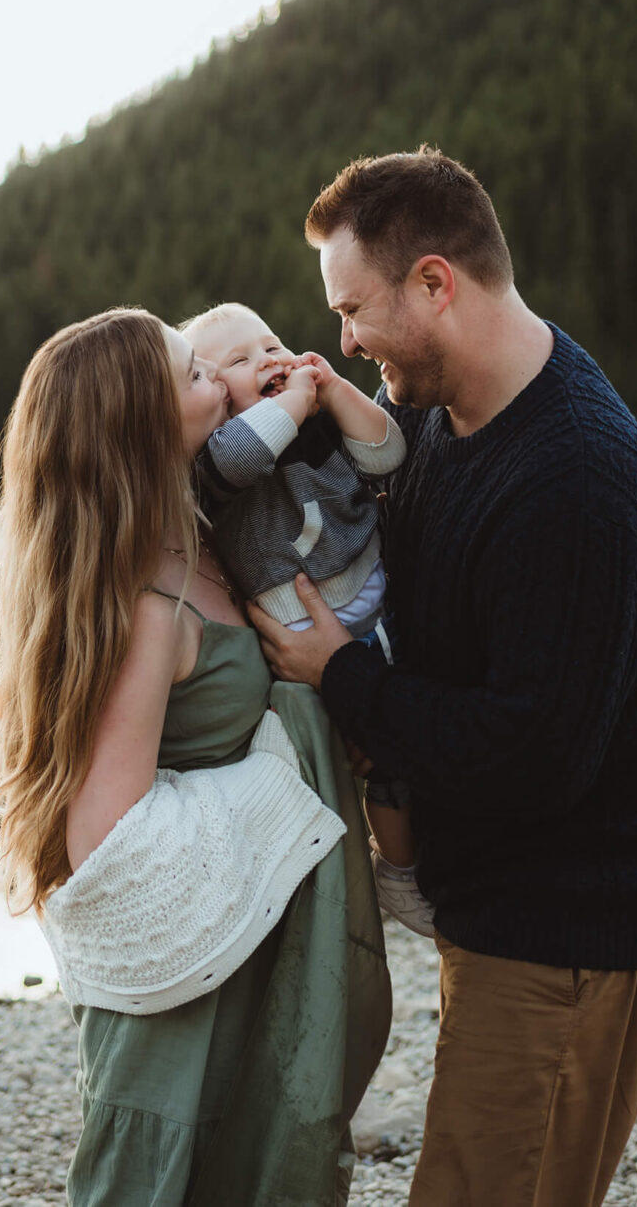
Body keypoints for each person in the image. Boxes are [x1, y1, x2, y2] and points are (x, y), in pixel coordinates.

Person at [251, 149, 637, 1207]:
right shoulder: (427, 416)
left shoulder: (576, 478)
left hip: (578, 919)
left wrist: (338, 674)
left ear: (433, 284)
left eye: (353, 310)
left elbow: (532, 757)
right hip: (506, 894)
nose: (343, 341)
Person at [0, 307, 391, 1206]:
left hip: (238, 948)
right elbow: (112, 849)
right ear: (146, 424)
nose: (222, 378)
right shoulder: (143, 606)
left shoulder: (203, 535)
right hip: (177, 1003)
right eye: (197, 373)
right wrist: (290, 769)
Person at [180, 301, 433, 936]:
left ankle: (402, 871)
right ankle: (337, 885)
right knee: (338, 756)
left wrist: (336, 388)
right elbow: (245, 453)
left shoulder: (319, 426)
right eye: (239, 361)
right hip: (297, 634)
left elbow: (387, 454)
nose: (267, 359)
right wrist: (290, 402)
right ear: (213, 393)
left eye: (272, 344)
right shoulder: (214, 460)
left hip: (382, 607)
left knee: (399, 751)